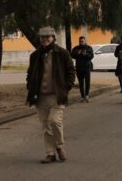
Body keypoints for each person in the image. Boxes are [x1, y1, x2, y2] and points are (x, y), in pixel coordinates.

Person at [26, 27, 75, 163]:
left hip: (57, 95)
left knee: (54, 121)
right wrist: (30, 86)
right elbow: (30, 74)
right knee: (46, 126)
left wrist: (66, 87)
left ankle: (59, 146)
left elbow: (71, 71)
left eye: (48, 37)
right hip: (40, 96)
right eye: (42, 37)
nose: (45, 39)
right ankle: (50, 153)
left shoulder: (62, 54)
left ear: (53, 38)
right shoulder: (35, 56)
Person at [71, 36, 94, 102]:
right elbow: (72, 55)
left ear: (85, 41)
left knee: (87, 82)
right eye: (80, 41)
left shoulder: (89, 48)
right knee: (81, 83)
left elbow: (91, 56)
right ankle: (82, 96)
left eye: (82, 41)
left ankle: (87, 95)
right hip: (79, 68)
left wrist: (85, 54)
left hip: (86, 68)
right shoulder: (76, 48)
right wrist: (77, 53)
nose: (81, 42)